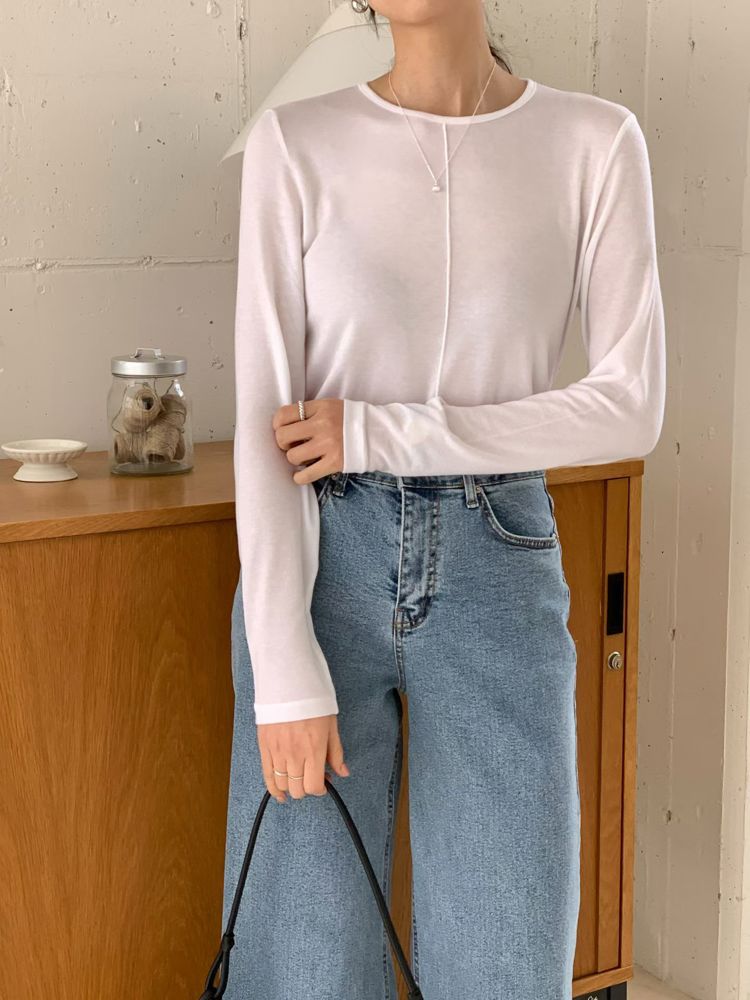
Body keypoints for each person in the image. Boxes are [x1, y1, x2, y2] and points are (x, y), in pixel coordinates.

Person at [222, 0, 666, 996]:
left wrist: (387, 431)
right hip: (320, 561)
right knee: (304, 971)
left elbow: (630, 407)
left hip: (498, 562)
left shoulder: (595, 142)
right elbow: (264, 418)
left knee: (508, 961)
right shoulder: (297, 142)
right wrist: (283, 667)